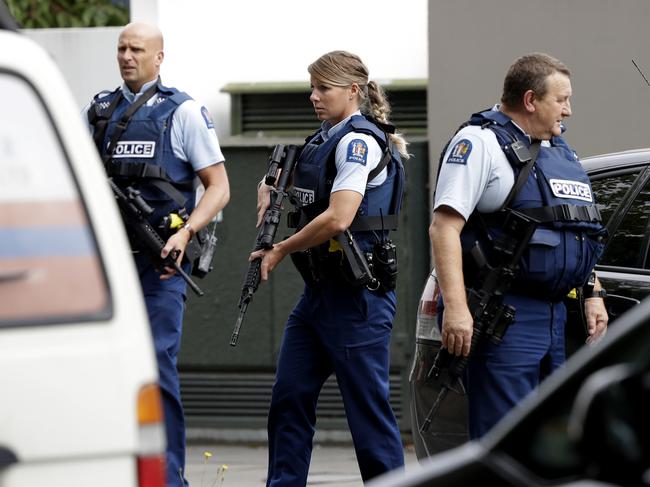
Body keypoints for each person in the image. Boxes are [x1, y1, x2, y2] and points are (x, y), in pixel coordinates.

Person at [430, 52, 609, 439]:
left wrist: (593, 291)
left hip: (556, 315)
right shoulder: (480, 143)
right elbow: (443, 228)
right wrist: (457, 310)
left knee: (550, 439)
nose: (569, 110)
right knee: (506, 440)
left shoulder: (560, 152)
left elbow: (576, 229)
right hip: (505, 316)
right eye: (561, 100)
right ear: (531, 100)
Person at [252, 51, 408, 486]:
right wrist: (266, 186)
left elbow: (340, 216)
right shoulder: (323, 138)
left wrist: (280, 248)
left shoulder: (359, 142)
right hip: (318, 297)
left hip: (358, 299)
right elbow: (300, 183)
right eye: (312, 87)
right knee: (288, 400)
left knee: (368, 418)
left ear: (353, 91)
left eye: (324, 88)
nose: (313, 96)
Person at [84, 22, 230, 486]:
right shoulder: (100, 111)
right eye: (121, 48)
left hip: (161, 265)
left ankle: (169, 480)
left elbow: (219, 188)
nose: (127, 56)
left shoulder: (182, 111)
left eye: (137, 49)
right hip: (110, 265)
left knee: (156, 366)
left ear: (159, 57)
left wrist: (187, 232)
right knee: (105, 371)